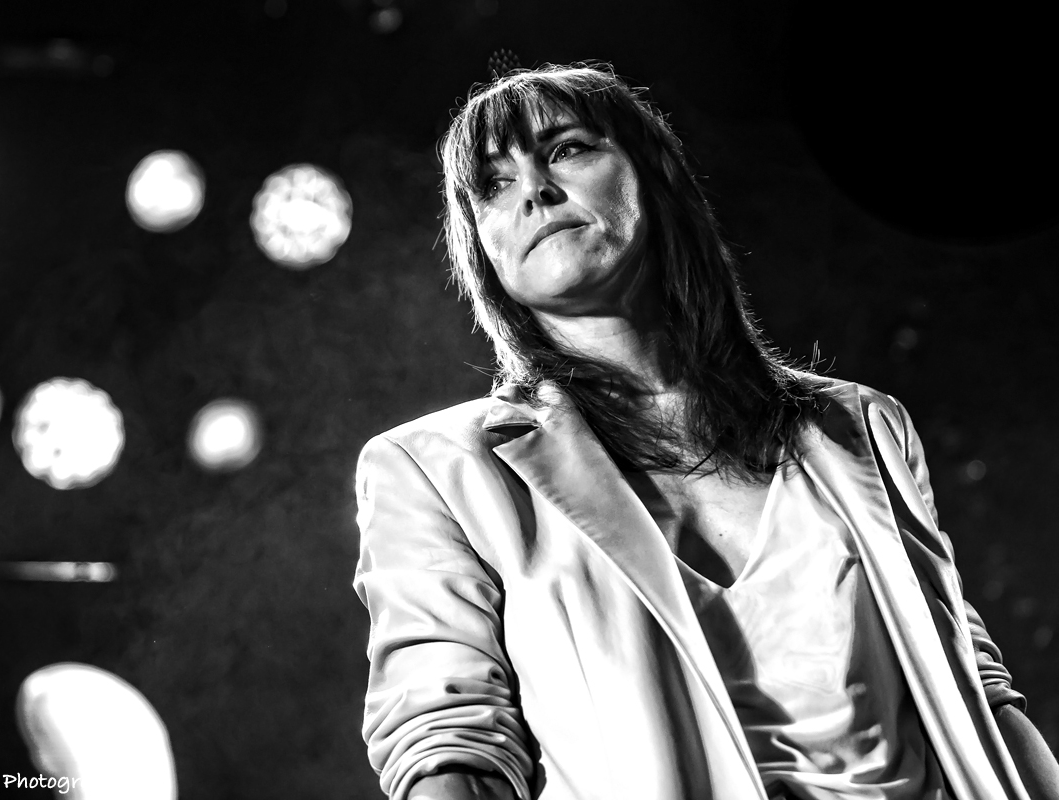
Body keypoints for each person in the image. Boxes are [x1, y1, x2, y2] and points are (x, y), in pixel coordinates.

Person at [352, 63, 1059, 800]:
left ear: (653, 174)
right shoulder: (434, 469)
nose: (534, 190)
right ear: (481, 246)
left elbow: (977, 693)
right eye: (493, 185)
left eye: (566, 149)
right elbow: (449, 739)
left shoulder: (862, 426)